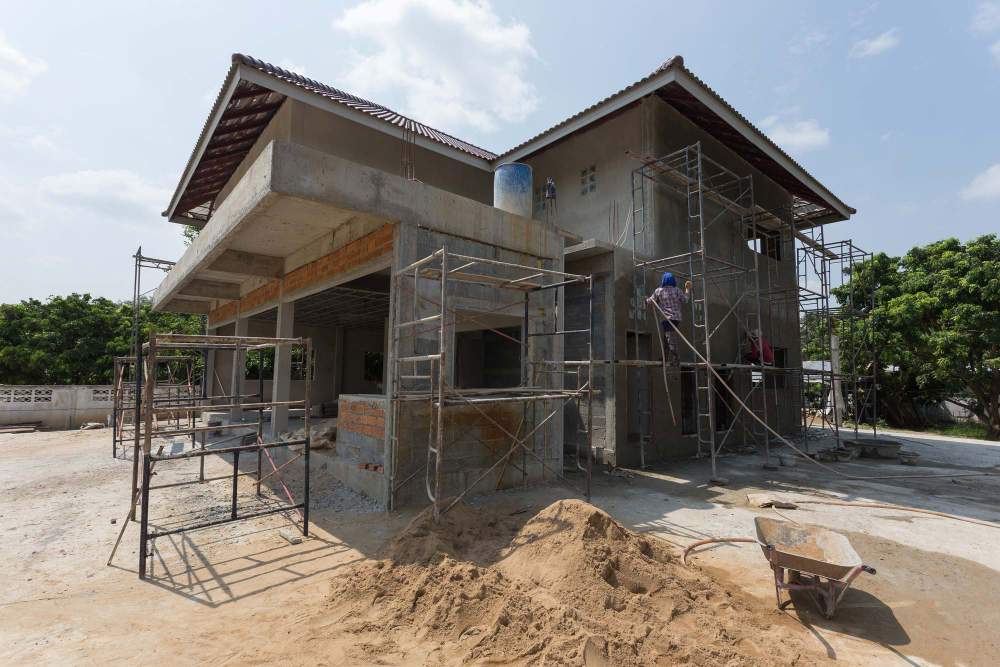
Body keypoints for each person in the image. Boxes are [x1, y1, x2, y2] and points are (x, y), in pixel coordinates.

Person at [647, 272, 691, 366]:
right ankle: (665, 357)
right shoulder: (677, 290)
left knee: (669, 338)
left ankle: (676, 358)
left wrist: (645, 300)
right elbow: (686, 300)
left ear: (663, 280)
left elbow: (650, 301)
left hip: (666, 318)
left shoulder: (659, 291)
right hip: (676, 319)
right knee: (667, 337)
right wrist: (687, 289)